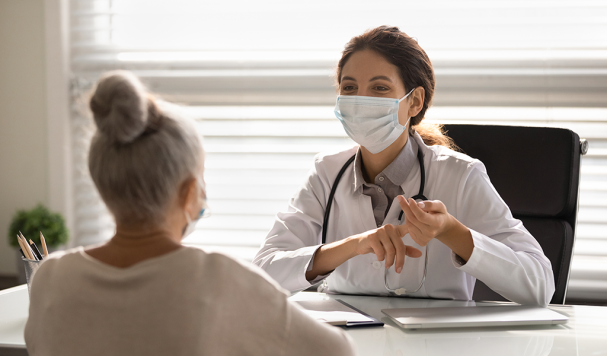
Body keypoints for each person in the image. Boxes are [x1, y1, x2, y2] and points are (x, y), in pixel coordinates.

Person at [24, 71, 354, 356]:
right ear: (187, 193)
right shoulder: (221, 279)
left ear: (103, 185)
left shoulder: (51, 279)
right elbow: (336, 351)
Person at [253, 26, 555, 306]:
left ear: (414, 102)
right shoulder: (326, 172)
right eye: (349, 88)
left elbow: (539, 285)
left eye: (380, 88)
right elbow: (262, 275)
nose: (360, 101)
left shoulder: (461, 175)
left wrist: (450, 231)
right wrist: (352, 246)